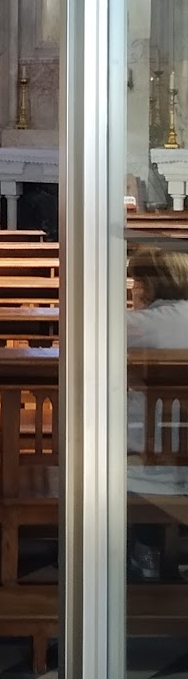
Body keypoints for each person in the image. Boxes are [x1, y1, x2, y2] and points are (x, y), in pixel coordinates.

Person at [125, 245, 188, 581]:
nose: (134, 288)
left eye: (137, 282)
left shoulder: (135, 324)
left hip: (144, 452)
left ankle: (143, 553)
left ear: (150, 285)